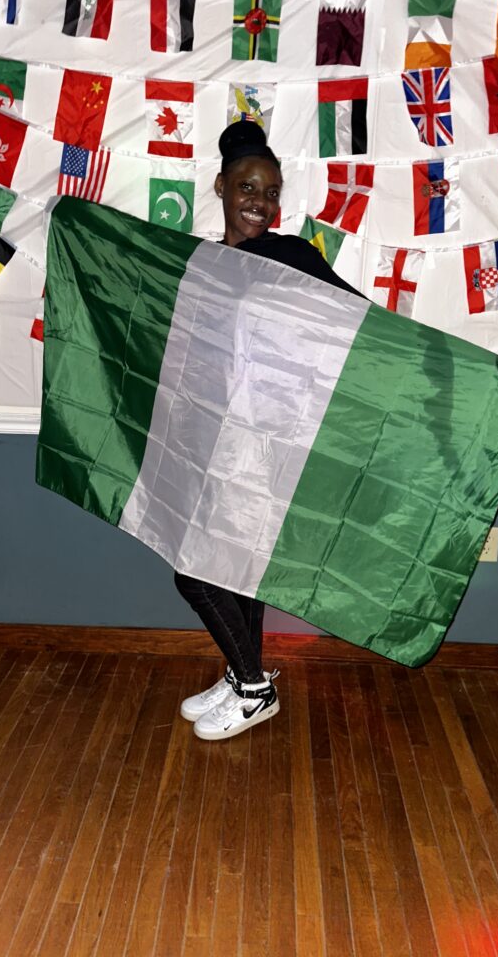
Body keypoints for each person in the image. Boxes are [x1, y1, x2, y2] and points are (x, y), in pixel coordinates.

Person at [175, 121, 363, 742]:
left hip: (264, 442)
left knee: (194, 571)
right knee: (234, 570)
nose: (261, 201)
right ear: (221, 187)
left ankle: (255, 688)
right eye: (249, 187)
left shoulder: (293, 256)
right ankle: (241, 673)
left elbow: (364, 324)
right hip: (209, 436)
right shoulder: (200, 262)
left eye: (272, 191)